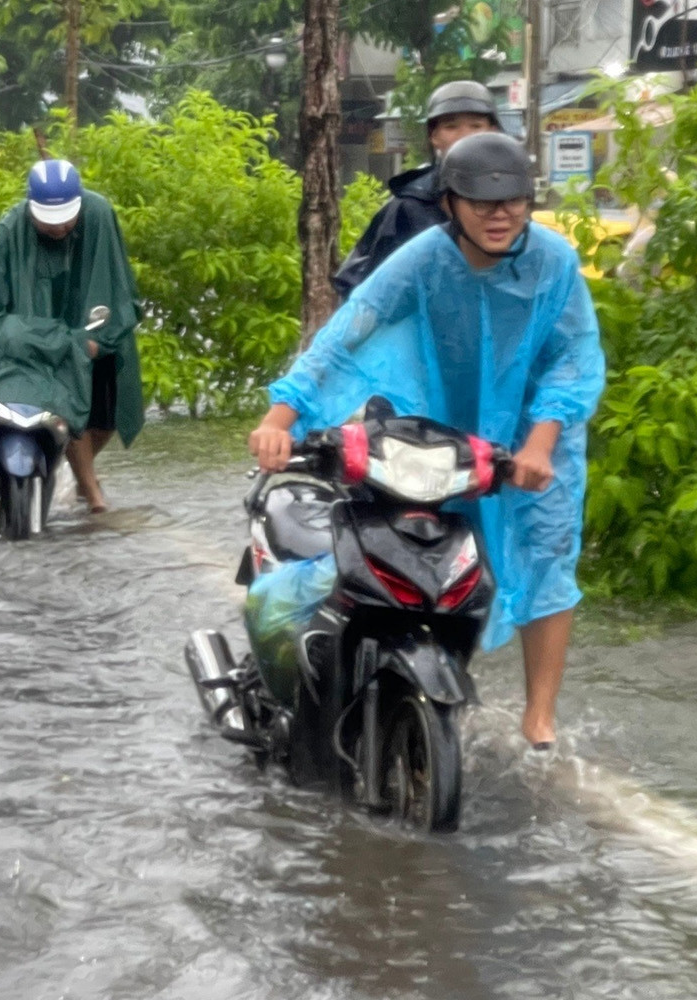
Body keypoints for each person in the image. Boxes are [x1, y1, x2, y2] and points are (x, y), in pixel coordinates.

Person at [248, 132, 606, 749]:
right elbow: (346, 334)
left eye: (514, 201)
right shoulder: (421, 260)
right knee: (424, 541)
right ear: (449, 204)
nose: (500, 216)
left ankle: (539, 717)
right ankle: (416, 678)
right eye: (481, 203)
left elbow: (573, 359)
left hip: (534, 436)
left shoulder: (554, 262)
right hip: (444, 423)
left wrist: (542, 442)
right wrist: (280, 418)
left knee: (547, 551)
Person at [0, 158, 143, 515]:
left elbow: (115, 276)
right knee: (64, 404)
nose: (58, 229)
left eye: (66, 222)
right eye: (48, 223)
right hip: (43, 337)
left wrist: (100, 335)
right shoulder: (13, 224)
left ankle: (77, 471)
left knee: (105, 419)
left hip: (93, 330)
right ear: (31, 209)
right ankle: (92, 493)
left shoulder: (100, 214)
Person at [333, 80, 503, 300]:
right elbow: (366, 292)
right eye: (451, 127)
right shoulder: (408, 207)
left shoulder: (510, 198)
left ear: (494, 131)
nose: (464, 135)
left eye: (475, 126)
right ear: (434, 137)